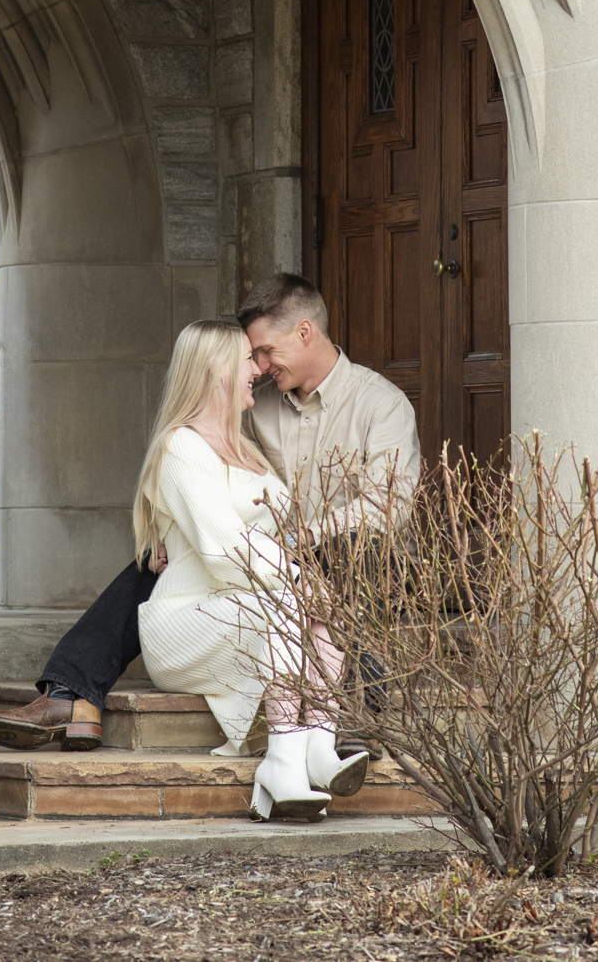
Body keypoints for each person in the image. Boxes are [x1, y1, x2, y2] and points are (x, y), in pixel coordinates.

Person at [0, 272, 419, 763]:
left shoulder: (382, 405)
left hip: (341, 552)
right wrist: (167, 528)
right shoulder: (255, 404)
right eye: (253, 357)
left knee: (366, 551)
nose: (261, 365)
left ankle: (356, 712)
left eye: (266, 351)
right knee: (155, 562)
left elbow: (387, 506)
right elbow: (198, 468)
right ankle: (69, 693)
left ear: (305, 332)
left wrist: (303, 539)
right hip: (258, 553)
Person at [132, 317, 367, 819]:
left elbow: (276, 534)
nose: (257, 370)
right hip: (184, 621)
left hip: (247, 604)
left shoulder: (247, 451)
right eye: (246, 359)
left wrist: (309, 585)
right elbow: (221, 549)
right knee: (291, 599)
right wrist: (302, 581)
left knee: (325, 611)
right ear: (217, 369)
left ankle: (319, 748)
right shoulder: (180, 446)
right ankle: (282, 759)